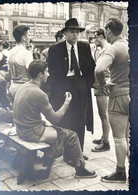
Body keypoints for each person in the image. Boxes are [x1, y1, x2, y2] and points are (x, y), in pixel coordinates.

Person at [13, 60, 97, 184]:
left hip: (20, 129)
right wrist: (66, 103)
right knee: (71, 136)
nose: (48, 74)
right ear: (40, 74)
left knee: (58, 134)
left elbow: (25, 113)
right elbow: (55, 118)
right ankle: (81, 169)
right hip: (31, 132)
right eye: (46, 72)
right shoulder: (40, 94)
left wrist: (41, 121)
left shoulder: (23, 87)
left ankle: (44, 167)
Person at [47, 18, 96, 161]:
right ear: (65, 33)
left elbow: (91, 67)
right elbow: (53, 72)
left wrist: (87, 84)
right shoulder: (55, 49)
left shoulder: (84, 47)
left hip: (80, 86)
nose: (75, 35)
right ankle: (66, 153)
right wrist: (59, 90)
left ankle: (78, 153)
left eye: (77, 32)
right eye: (72, 32)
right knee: (66, 120)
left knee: (80, 119)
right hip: (64, 86)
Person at [95, 18, 129, 183]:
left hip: (118, 97)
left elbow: (99, 69)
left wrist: (103, 84)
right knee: (129, 137)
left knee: (119, 138)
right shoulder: (129, 45)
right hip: (132, 94)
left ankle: (120, 172)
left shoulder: (113, 48)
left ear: (108, 31)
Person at [91, 29, 111, 152]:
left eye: (95, 37)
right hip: (99, 82)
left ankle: (106, 143)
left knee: (103, 114)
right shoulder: (100, 50)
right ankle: (104, 137)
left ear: (101, 37)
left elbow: (104, 69)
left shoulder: (107, 50)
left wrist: (103, 83)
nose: (94, 40)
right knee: (102, 113)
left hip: (102, 83)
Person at [8, 25, 33, 98]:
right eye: (28, 35)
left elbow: (9, 71)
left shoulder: (11, 51)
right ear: (24, 38)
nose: (30, 37)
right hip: (24, 88)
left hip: (13, 87)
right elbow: (31, 73)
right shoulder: (26, 53)